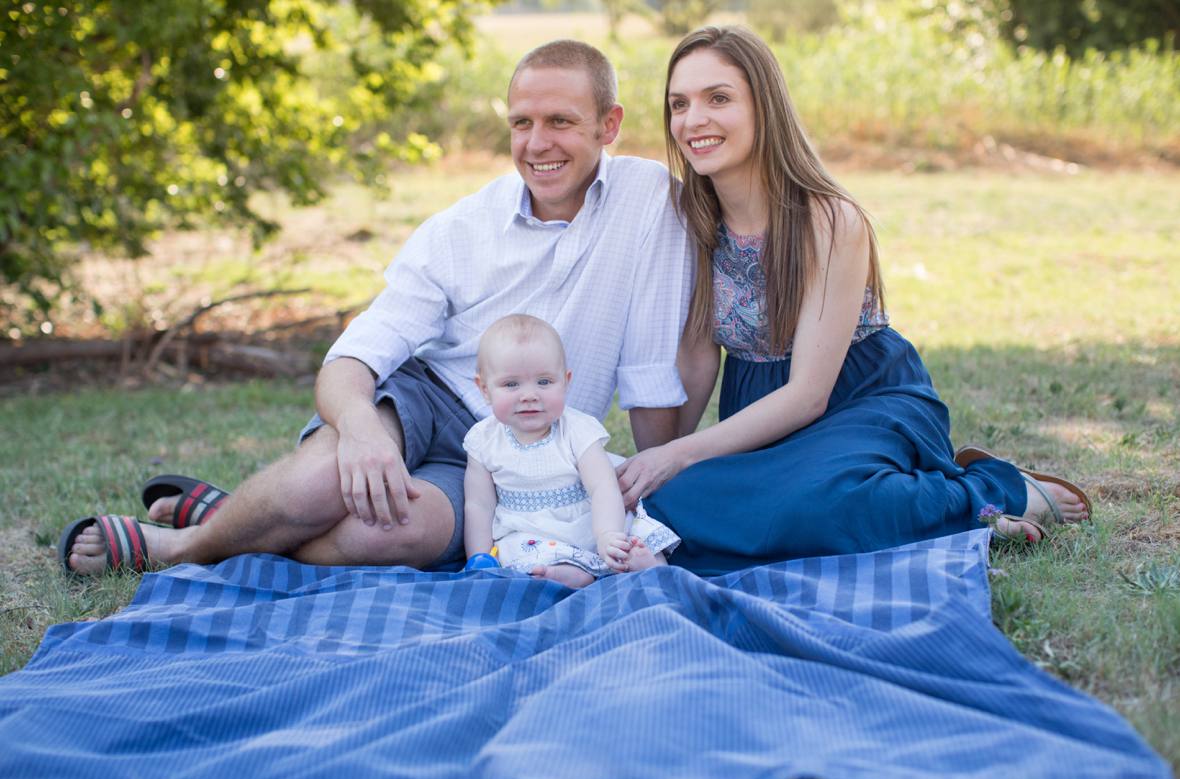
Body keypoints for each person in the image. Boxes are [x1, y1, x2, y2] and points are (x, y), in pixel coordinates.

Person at [60, 40, 693, 577]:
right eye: (521, 122)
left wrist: (654, 497)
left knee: (385, 535)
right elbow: (357, 353)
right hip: (428, 397)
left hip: (522, 439)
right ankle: (185, 547)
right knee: (321, 484)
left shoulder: (650, 202)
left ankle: (237, 520)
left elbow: (648, 369)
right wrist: (361, 429)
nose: (536, 143)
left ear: (608, 126)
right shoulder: (462, 228)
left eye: (560, 121)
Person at [614, 26, 1091, 576]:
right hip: (758, 413)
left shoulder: (829, 220)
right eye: (679, 104)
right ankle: (916, 506)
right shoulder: (692, 220)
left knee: (816, 505)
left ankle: (994, 492)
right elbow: (698, 358)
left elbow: (808, 397)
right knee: (671, 510)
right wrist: (662, 466)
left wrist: (677, 456)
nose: (693, 119)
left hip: (864, 397)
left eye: (718, 98)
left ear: (763, 108)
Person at [463, 314, 680, 588]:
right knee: (517, 550)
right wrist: (480, 557)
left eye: (544, 382)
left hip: (590, 521)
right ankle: (567, 573)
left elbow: (603, 487)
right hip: (529, 531)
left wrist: (606, 535)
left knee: (631, 533)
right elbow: (479, 505)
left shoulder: (577, 430)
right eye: (511, 384)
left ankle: (643, 564)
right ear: (484, 389)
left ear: (565, 381)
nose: (529, 395)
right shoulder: (483, 440)